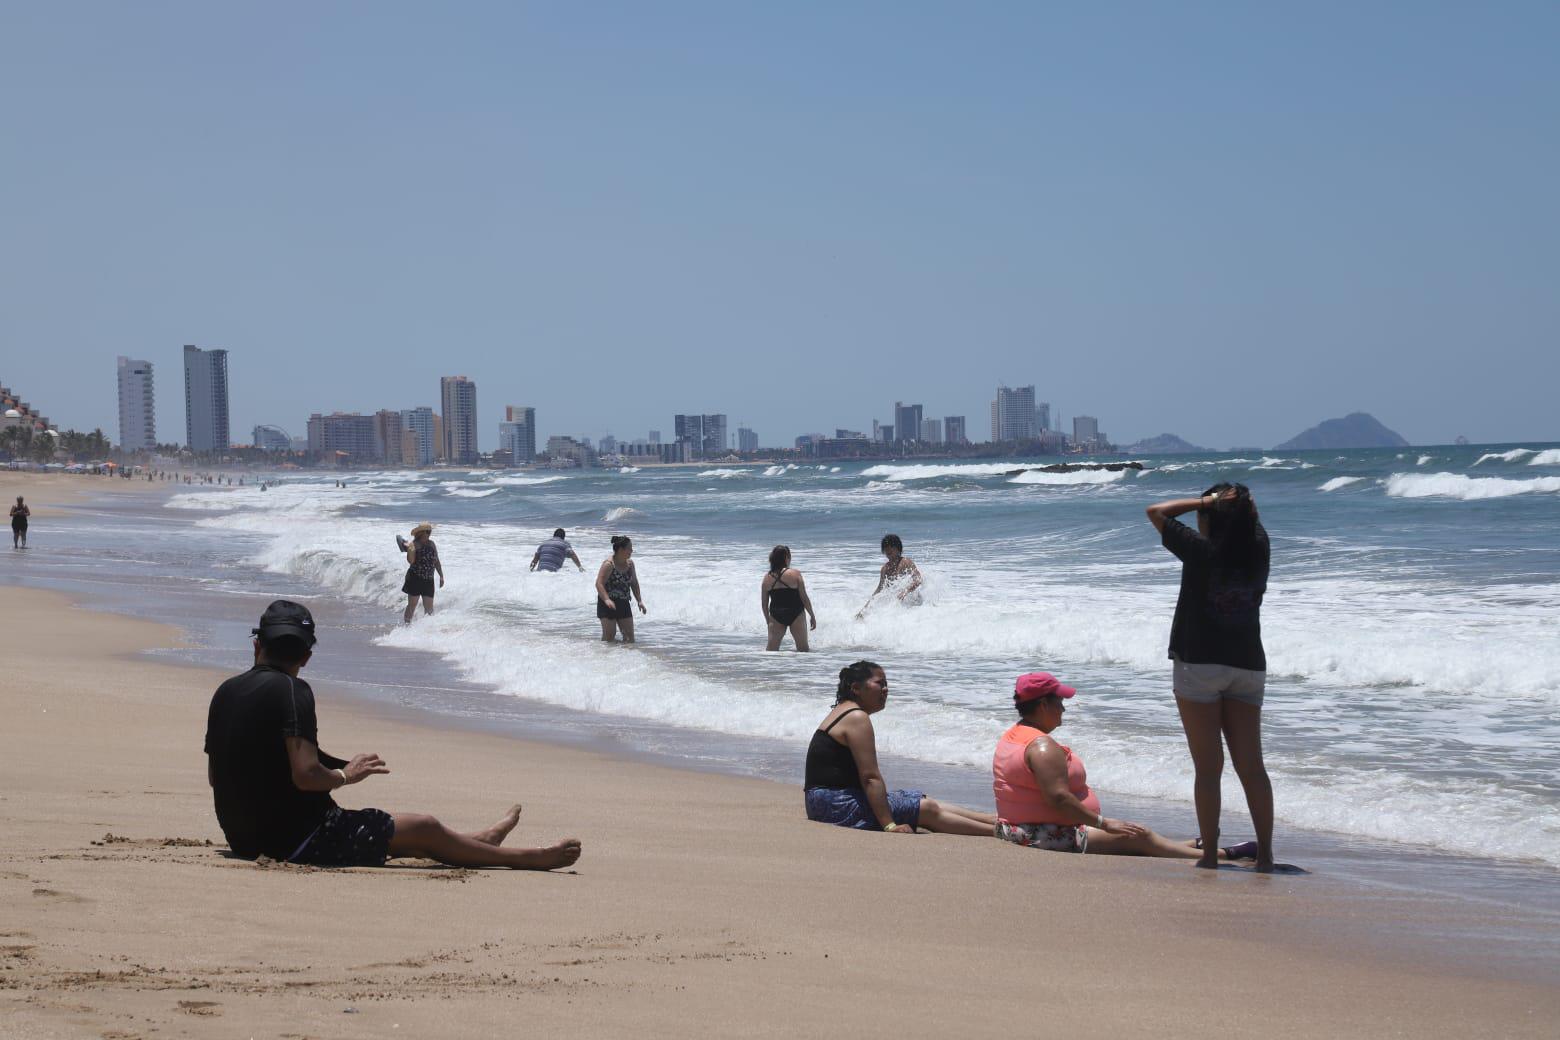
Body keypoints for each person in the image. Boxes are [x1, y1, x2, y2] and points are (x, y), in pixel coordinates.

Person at [204, 601, 581, 869]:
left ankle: (476, 843)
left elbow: (220, 772)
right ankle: (527, 858)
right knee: (424, 825)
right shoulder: (293, 691)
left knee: (410, 834)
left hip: (243, 836)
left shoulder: (226, 690)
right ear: (306, 657)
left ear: (257, 645)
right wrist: (345, 774)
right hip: (296, 841)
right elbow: (305, 776)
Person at [992, 672, 1256, 861]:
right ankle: (1225, 856)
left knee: (1135, 834)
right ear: (1042, 705)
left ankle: (1191, 845)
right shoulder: (1041, 747)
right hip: (1043, 834)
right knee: (1139, 835)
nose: (1063, 708)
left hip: (1022, 828)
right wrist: (1104, 823)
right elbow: (1058, 799)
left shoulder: (1015, 734)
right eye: (1059, 702)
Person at [1147, 483, 1275, 871]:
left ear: (1209, 516)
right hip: (1247, 665)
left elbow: (1157, 511)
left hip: (1199, 665)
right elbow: (1247, 521)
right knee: (1252, 766)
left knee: (1208, 767)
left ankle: (1209, 856)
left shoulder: (1201, 550)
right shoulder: (1260, 549)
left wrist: (1206, 502)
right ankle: (1266, 856)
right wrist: (1235, 506)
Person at [804, 661, 997, 835]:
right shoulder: (856, 717)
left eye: (886, 683)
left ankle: (991, 820)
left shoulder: (845, 711)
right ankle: (998, 832)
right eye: (879, 683)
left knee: (915, 797)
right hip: (834, 803)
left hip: (822, 801)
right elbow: (870, 777)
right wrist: (889, 825)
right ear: (856, 688)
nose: (885, 689)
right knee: (925, 809)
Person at [761, 545, 816, 651]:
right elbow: (804, 598)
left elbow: (764, 603)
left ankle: (769, 667)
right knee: (803, 650)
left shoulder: (767, 578)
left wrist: (768, 620)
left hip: (776, 614)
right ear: (786, 557)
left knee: (771, 651)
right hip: (796, 613)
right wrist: (812, 615)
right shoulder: (795, 574)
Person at [856, 534, 922, 618]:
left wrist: (905, 591)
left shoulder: (906, 562)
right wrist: (864, 610)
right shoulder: (885, 569)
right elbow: (879, 590)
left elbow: (918, 579)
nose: (888, 555)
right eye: (887, 553)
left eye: (890, 552)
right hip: (899, 606)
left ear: (898, 549)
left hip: (915, 604)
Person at [595, 535, 645, 642]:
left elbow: (634, 583)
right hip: (607, 604)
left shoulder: (630, 564)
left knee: (629, 638)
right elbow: (599, 583)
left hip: (623, 602)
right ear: (621, 549)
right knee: (609, 636)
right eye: (629, 548)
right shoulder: (609, 564)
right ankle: (603, 656)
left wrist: (639, 600)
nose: (632, 550)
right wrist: (607, 599)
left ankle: (625, 658)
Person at [401, 522, 444, 623]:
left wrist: (441, 576)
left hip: (429, 580)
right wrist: (411, 549)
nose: (429, 533)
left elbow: (436, 561)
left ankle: (426, 631)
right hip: (415, 578)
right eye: (427, 531)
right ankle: (406, 627)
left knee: (429, 610)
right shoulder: (414, 545)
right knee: (412, 606)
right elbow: (410, 561)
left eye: (430, 531)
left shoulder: (432, 544)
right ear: (421, 533)